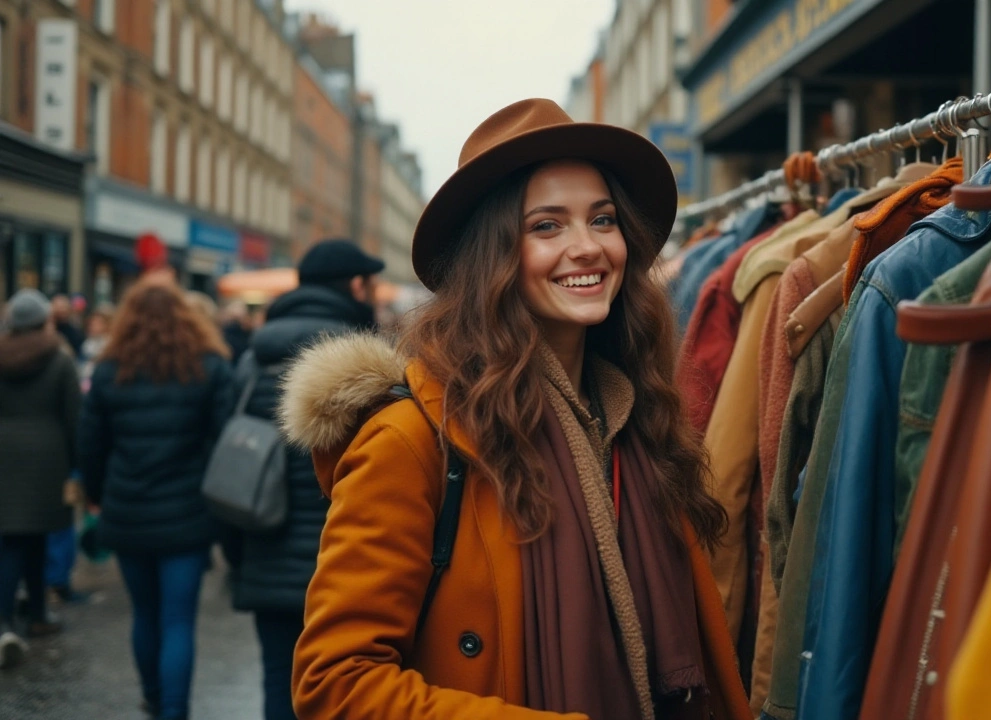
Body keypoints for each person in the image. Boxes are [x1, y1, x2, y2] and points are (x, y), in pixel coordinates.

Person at [284, 99, 751, 720]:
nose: (586, 247)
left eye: (603, 219)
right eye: (547, 226)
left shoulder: (637, 419)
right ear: (493, 256)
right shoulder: (411, 439)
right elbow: (333, 683)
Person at [227, 238, 383, 720]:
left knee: (279, 677)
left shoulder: (255, 357)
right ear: (356, 285)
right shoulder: (364, 360)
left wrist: (237, 553)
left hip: (265, 544)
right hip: (343, 560)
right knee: (343, 691)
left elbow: (230, 449)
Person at [78, 282, 235, 719]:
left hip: (127, 509)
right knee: (178, 620)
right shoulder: (207, 366)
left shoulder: (109, 371)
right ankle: (174, 710)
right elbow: (223, 439)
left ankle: (151, 697)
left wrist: (94, 496)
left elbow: (90, 444)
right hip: (187, 513)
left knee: (144, 614)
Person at [0, 290, 81, 668]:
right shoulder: (59, 358)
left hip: (5, 456)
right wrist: (76, 463)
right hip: (47, 459)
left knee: (10, 541)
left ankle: (6, 620)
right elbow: (72, 416)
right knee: (35, 540)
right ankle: (36, 615)